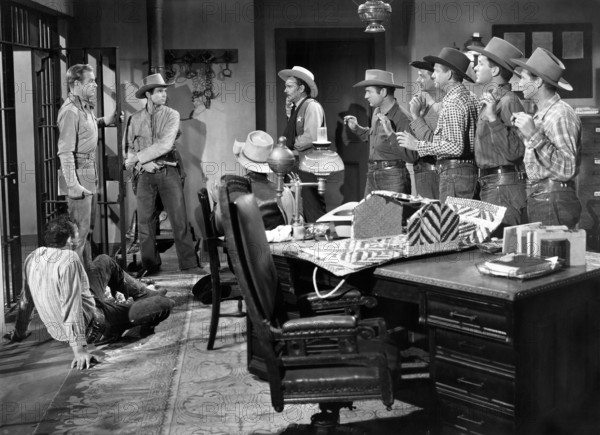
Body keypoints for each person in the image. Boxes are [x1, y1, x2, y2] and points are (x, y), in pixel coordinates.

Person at [3, 215, 173, 370]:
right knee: (165, 305)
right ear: (70, 239)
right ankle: (127, 313)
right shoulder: (69, 260)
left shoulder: (34, 256)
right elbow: (72, 307)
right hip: (93, 326)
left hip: (68, 323)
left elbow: (26, 300)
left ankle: (144, 293)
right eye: (77, 233)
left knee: (104, 261)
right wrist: (80, 350)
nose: (80, 236)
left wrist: (19, 332)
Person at [124, 73, 201, 277]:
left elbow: (165, 144)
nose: (164, 94)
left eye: (165, 91)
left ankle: (189, 263)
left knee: (179, 219)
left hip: (168, 170)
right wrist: (141, 162)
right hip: (144, 175)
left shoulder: (172, 115)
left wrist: (140, 159)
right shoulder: (134, 119)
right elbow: (129, 149)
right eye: (159, 91)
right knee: (144, 222)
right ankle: (150, 264)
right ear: (148, 94)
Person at [57, 64, 119, 271]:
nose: (95, 84)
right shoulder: (70, 111)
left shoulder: (84, 106)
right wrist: (73, 185)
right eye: (90, 81)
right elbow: (65, 152)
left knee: (86, 230)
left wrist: (105, 121)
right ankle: (77, 285)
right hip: (78, 172)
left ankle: (89, 279)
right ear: (76, 84)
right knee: (79, 233)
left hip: (88, 170)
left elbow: (86, 130)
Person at [397, 48, 480, 203]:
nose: (433, 75)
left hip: (455, 174)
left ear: (448, 74)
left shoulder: (453, 101)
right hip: (463, 172)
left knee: (452, 225)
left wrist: (418, 145)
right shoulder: (470, 97)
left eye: (435, 71)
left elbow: (456, 147)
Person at [511, 48, 582, 228]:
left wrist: (534, 135)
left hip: (553, 199)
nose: (519, 84)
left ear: (539, 81)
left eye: (524, 78)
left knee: (553, 255)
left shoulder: (561, 114)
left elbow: (566, 169)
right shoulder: (541, 115)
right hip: (542, 198)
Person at [470, 37, 527, 233]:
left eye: (480, 64)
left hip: (504, 187)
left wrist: (494, 119)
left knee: (505, 247)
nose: (475, 68)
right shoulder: (491, 100)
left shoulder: (509, 101)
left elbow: (515, 152)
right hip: (490, 185)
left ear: (494, 71)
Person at [344, 69, 417, 197]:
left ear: (383, 92)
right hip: (372, 174)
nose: (365, 96)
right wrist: (357, 129)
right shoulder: (377, 111)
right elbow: (375, 138)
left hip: (393, 176)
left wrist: (391, 134)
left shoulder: (402, 118)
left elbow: (412, 156)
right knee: (369, 216)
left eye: (368, 91)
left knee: (393, 216)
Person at [208, 130, 296, 235]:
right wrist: (295, 195)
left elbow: (219, 229)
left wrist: (218, 202)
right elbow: (293, 227)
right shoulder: (284, 192)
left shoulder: (231, 188)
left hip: (243, 249)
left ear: (244, 164)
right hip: (275, 248)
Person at [279, 66, 329, 222]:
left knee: (311, 205)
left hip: (310, 162)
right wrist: (289, 115)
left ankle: (321, 237)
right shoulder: (298, 108)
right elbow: (296, 130)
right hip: (300, 162)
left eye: (289, 86)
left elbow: (311, 136)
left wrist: (288, 146)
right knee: (299, 205)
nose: (285, 90)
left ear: (301, 88)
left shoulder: (311, 106)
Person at [408, 60, 443, 199]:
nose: (418, 80)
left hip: (433, 173)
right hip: (424, 172)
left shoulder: (440, 107)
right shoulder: (427, 105)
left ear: (434, 76)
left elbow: (432, 142)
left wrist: (416, 116)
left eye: (422, 76)